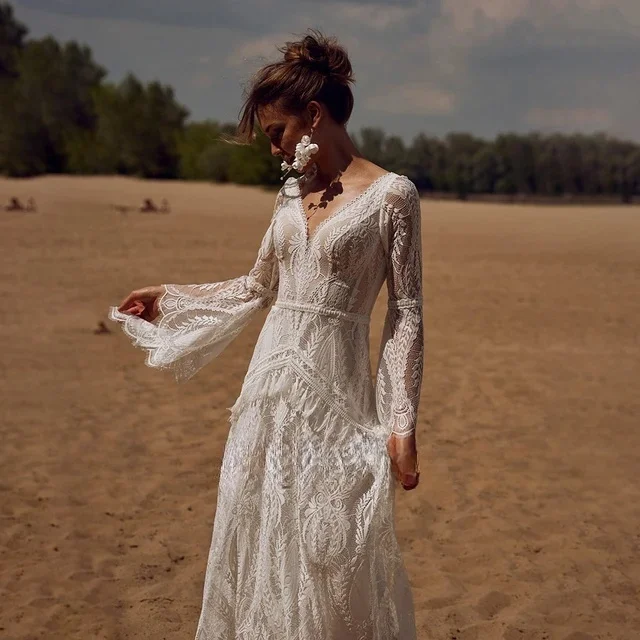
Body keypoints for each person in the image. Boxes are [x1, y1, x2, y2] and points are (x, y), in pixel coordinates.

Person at [109, 28, 424, 640]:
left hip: (337, 401)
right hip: (265, 400)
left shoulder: (393, 196)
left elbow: (406, 311)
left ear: (314, 114)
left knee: (332, 551)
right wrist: (169, 299)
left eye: (277, 133)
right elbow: (257, 288)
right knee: (260, 546)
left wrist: (401, 422)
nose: (274, 151)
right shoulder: (289, 195)